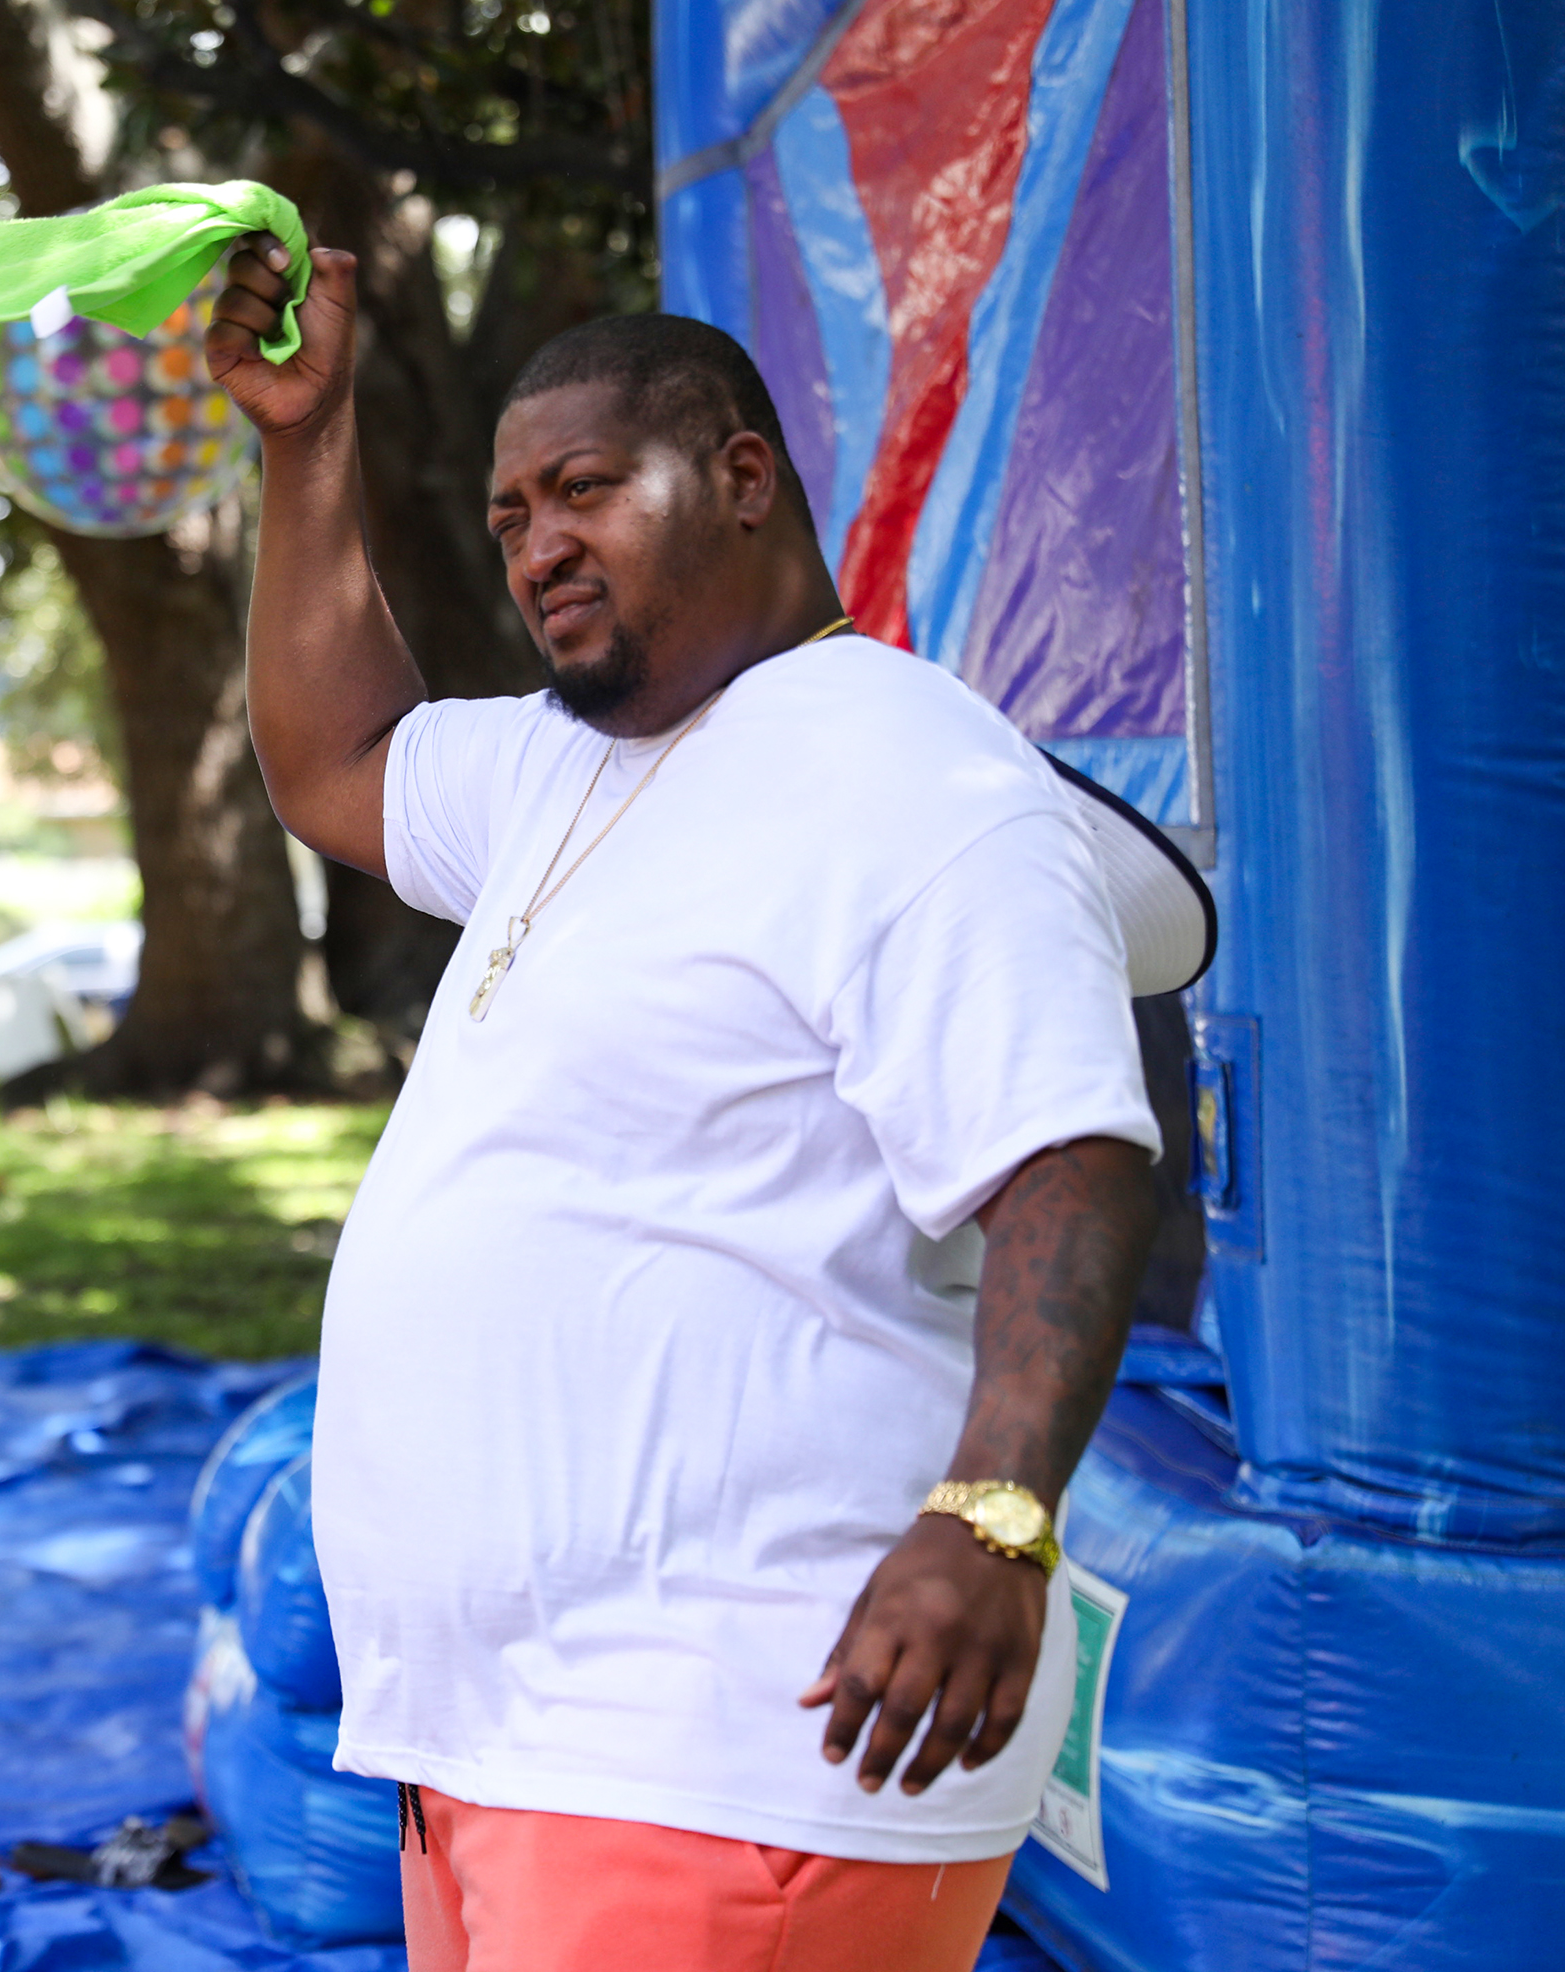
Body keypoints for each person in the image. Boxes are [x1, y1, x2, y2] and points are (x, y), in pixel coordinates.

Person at [207, 243, 1163, 1971]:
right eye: (508, 520)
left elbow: (1072, 1159)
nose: (537, 545)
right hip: (512, 1748)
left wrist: (994, 1518)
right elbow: (334, 761)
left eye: (584, 489)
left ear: (739, 479)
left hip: (731, 1750)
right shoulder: (560, 762)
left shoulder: (914, 772)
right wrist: (306, 435)